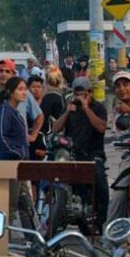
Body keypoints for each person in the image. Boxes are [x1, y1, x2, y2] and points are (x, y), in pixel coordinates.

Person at [52, 77, 109, 228]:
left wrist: (86, 108)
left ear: (89, 93)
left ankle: (102, 221)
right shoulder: (70, 107)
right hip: (73, 153)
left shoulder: (98, 108)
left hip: (93, 153)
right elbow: (55, 129)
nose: (78, 97)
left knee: (100, 181)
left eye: (82, 94)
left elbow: (101, 127)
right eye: (76, 93)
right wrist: (66, 113)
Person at [108, 71, 130, 223]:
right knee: (117, 197)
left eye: (126, 84)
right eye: (118, 86)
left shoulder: (125, 110)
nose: (121, 89)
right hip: (127, 162)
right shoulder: (117, 111)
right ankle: (110, 238)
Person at [0, 77, 30, 160]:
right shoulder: (5, 110)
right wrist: (19, 153)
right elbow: (1, 137)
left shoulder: (15, 112)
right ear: (10, 92)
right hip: (7, 162)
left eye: (25, 89)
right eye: (20, 89)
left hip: (17, 162)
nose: (24, 93)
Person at [39, 68, 66, 135]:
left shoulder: (49, 97)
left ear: (47, 81)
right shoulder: (64, 94)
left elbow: (42, 118)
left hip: (51, 133)